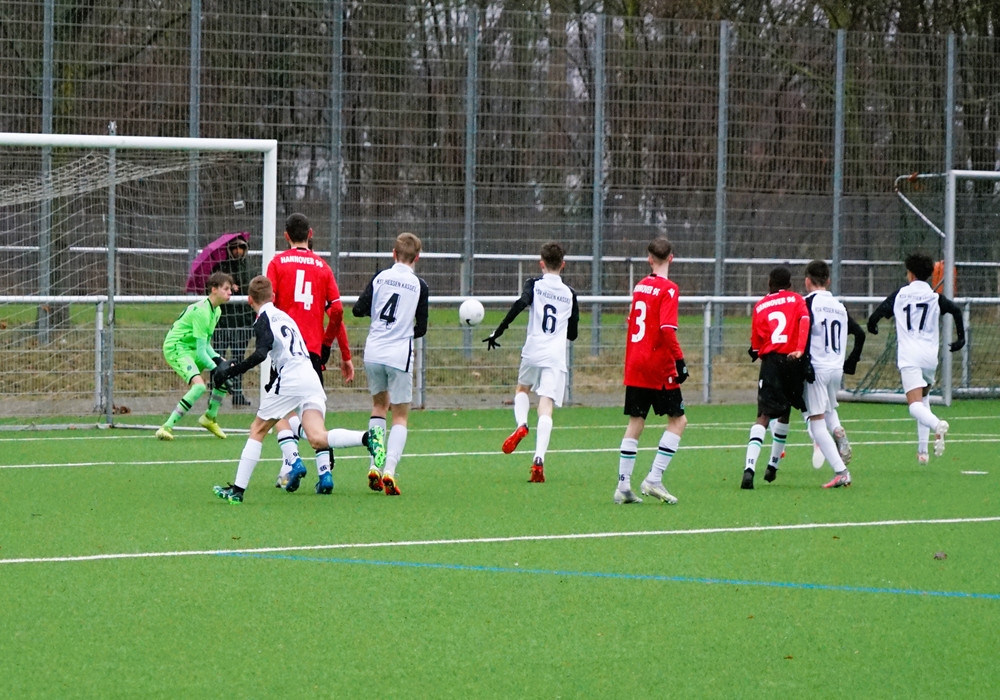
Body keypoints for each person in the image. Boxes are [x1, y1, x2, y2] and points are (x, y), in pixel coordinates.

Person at [211, 276, 385, 504]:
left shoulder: (263, 319)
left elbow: (261, 354)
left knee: (257, 429)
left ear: (250, 300)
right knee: (317, 438)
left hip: (291, 377)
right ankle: (367, 438)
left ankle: (237, 490)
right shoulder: (286, 317)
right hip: (310, 376)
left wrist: (232, 371)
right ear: (273, 296)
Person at [266, 213, 355, 494]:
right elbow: (337, 311)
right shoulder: (323, 267)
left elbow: (268, 306)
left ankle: (292, 461)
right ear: (311, 234)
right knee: (312, 412)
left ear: (286, 236)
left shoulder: (277, 263)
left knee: (278, 410)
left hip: (286, 350)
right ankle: (324, 473)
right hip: (313, 352)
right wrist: (333, 348)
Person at [483, 242, 580, 484]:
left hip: (533, 350)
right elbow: (573, 334)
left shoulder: (534, 284)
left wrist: (499, 330)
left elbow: (520, 304)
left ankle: (522, 424)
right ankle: (538, 460)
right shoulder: (570, 294)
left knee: (522, 389)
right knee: (546, 406)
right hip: (555, 356)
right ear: (563, 265)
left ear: (541, 263)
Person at [866, 252, 965, 463]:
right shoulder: (934, 297)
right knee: (924, 398)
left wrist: (873, 325)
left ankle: (937, 424)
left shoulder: (900, 295)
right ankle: (923, 452)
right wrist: (961, 339)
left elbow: (875, 316)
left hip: (909, 356)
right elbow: (956, 311)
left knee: (914, 406)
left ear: (910, 274)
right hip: (929, 357)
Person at [352, 231, 429, 496]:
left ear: (393, 254)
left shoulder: (380, 277)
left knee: (378, 407)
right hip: (398, 355)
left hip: (373, 352)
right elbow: (422, 327)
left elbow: (357, 310)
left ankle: (374, 464)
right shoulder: (420, 286)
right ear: (417, 258)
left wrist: (378, 315)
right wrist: (402, 330)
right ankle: (390, 471)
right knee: (400, 415)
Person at [613, 237, 687, 505]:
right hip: (658, 365)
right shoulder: (669, 289)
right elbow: (667, 329)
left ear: (649, 259)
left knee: (636, 421)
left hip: (635, 362)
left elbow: (632, 319)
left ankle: (623, 486)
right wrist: (680, 360)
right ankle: (653, 479)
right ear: (671, 258)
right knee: (678, 421)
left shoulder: (640, 286)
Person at [741, 265, 810, 490]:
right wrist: (800, 349)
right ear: (790, 284)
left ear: (769, 283)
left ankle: (749, 469)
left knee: (763, 415)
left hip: (772, 362)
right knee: (785, 411)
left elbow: (756, 342)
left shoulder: (761, 305)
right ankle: (772, 465)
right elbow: (805, 321)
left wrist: (756, 350)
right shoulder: (797, 300)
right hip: (793, 360)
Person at [801, 259, 866, 488]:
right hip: (836, 369)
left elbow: (802, 334)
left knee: (816, 425)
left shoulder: (806, 304)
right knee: (828, 410)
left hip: (817, 369)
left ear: (807, 281)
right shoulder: (839, 306)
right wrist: (852, 360)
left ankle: (841, 472)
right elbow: (859, 333)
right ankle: (837, 430)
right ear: (828, 281)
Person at [156, 271, 234, 441]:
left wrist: (220, 361)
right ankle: (166, 427)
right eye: (226, 289)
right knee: (199, 386)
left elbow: (205, 345)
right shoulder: (202, 312)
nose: (230, 292)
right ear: (214, 289)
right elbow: (201, 352)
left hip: (191, 348)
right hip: (177, 347)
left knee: (225, 371)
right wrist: (216, 368)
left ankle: (209, 417)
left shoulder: (217, 310)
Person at [211, 236, 254, 406]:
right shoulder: (220, 268)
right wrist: (228, 286)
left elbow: (253, 289)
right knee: (217, 358)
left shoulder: (250, 269)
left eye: (241, 247)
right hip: (222, 322)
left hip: (242, 322)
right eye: (234, 248)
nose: (238, 251)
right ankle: (215, 396)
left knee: (239, 359)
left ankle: (237, 394)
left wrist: (240, 287)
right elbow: (212, 288)